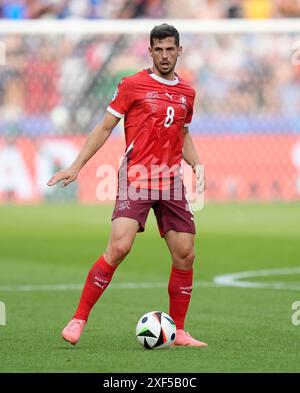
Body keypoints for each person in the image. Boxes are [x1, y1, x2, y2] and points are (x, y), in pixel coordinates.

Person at [47, 23, 207, 347]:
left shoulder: (187, 92)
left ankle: (180, 331)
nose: (164, 55)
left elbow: (183, 133)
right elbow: (105, 127)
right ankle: (78, 319)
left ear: (179, 50)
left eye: (169, 49)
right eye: (158, 50)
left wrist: (196, 164)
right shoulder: (132, 85)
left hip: (170, 181)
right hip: (136, 177)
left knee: (185, 254)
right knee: (119, 246)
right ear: (149, 51)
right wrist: (77, 166)